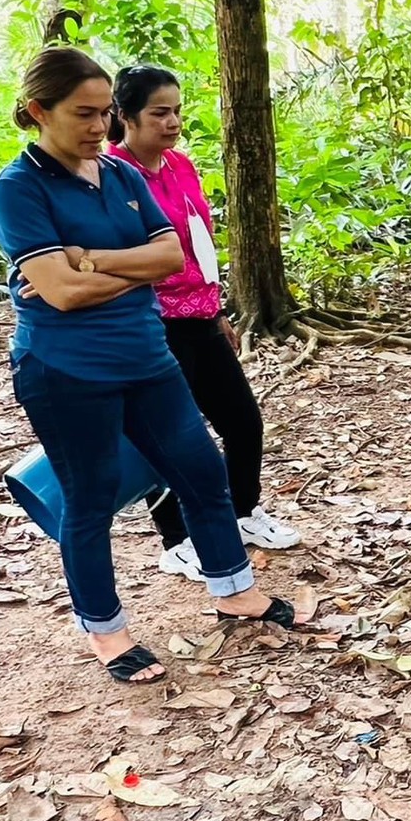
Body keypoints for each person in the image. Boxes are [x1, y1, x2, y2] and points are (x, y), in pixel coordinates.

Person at [0, 48, 295, 684]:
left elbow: (169, 258)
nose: (100, 126)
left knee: (203, 470)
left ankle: (233, 589)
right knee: (91, 496)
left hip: (148, 356)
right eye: (84, 113)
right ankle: (107, 631)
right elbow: (61, 294)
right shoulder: (18, 188)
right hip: (67, 370)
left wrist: (90, 261)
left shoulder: (122, 177)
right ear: (39, 110)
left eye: (104, 113)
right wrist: (110, 270)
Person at [104, 65, 302, 580]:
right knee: (171, 436)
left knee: (241, 419)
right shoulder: (112, 175)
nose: (172, 122)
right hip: (152, 323)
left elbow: (198, 244)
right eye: (158, 113)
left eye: (176, 111)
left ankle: (243, 512)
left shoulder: (180, 166)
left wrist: (216, 311)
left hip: (200, 316)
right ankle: (175, 540)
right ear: (124, 116)